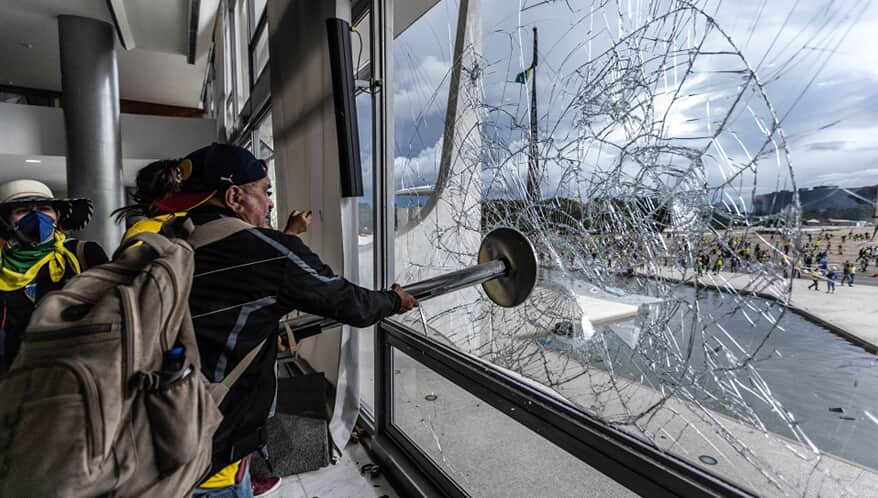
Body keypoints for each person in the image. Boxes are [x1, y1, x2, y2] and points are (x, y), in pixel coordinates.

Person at [150, 144, 418, 498]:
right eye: (265, 191)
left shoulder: (166, 243)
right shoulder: (264, 251)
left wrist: (259, 333)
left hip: (156, 440)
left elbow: (206, 323)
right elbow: (353, 304)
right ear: (234, 197)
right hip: (208, 461)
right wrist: (394, 300)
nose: (272, 203)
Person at [0, 180, 108, 374]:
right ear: (7, 221)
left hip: (74, 369)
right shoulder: (2, 263)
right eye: (22, 211)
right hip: (12, 371)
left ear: (57, 216)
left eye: (44, 208)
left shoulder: (84, 253)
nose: (36, 216)